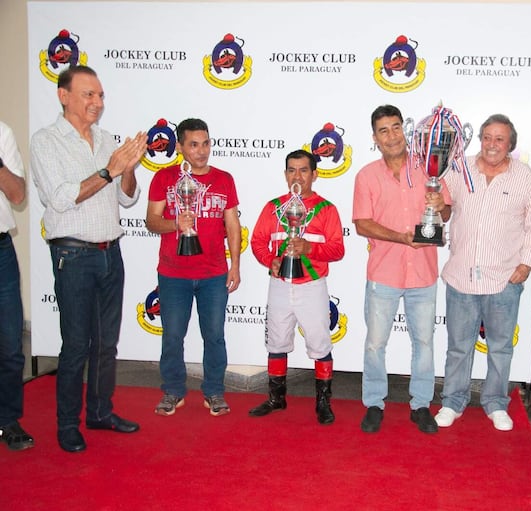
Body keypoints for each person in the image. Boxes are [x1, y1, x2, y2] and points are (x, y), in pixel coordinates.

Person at [29, 65, 147, 452]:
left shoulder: (106, 138)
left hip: (111, 252)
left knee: (106, 343)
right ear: (64, 96)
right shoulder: (46, 141)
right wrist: (109, 169)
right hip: (74, 256)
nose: (97, 102)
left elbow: (127, 196)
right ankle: (67, 425)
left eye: (100, 96)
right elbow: (60, 197)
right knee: (76, 344)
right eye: (88, 95)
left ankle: (99, 413)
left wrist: (127, 169)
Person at [434, 113, 531, 432]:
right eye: (487, 137)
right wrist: (436, 202)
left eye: (499, 139)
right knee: (458, 346)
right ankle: (453, 402)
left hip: (503, 280)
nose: (492, 144)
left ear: (510, 144)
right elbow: (444, 211)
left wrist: (526, 264)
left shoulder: (523, 176)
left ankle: (496, 403)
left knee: (499, 347)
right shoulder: (459, 168)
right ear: (479, 139)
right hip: (461, 276)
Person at [352, 104, 450, 434]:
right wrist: (401, 238)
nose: (392, 135)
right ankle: (374, 403)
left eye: (396, 127)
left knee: (424, 343)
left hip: (423, 273)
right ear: (375, 138)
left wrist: (441, 206)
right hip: (384, 272)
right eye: (384, 130)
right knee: (375, 344)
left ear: (404, 131)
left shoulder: (429, 169)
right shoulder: (366, 175)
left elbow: (447, 214)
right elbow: (362, 224)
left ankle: (421, 404)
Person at [146, 118, 241, 417]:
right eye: (194, 144)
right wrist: (175, 223)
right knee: (172, 335)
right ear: (180, 147)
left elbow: (233, 224)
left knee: (214, 335)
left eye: (206, 143)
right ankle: (173, 391)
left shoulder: (224, 179)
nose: (201, 151)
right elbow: (151, 222)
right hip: (174, 274)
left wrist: (235, 265)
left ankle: (214, 391)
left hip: (214, 273)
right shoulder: (164, 178)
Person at [249, 149, 344, 424]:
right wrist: (271, 261)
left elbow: (337, 249)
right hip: (280, 284)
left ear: (315, 174)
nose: (297, 176)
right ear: (285, 174)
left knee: (319, 343)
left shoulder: (327, 209)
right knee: (276, 341)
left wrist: (309, 248)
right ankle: (276, 398)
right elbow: (257, 241)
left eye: (303, 170)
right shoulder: (273, 207)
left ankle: (323, 402)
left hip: (312, 286)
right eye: (291, 170)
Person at [0, 121, 33, 451]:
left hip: (0, 250)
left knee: (10, 345)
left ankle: (6, 420)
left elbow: (18, 195)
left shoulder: (2, 133)